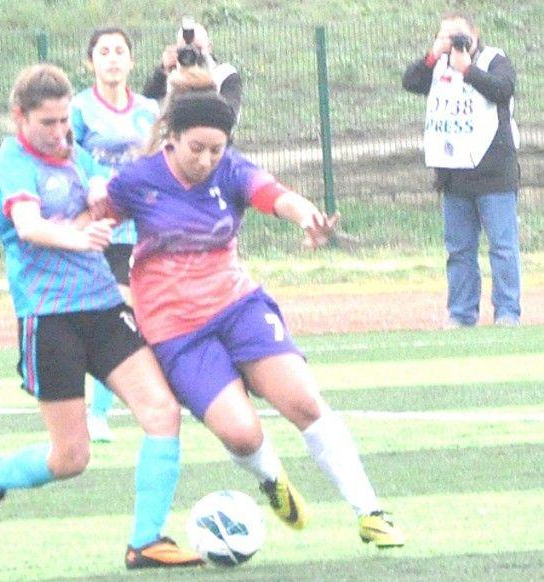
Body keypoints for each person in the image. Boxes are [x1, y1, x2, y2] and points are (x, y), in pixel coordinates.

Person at [90, 88, 406, 548]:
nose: (206, 159)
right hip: (176, 330)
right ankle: (272, 479)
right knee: (241, 435)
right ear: (172, 138)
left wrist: (305, 216)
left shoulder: (231, 170)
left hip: (238, 308)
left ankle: (370, 512)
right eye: (196, 148)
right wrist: (86, 211)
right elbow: (94, 214)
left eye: (215, 149)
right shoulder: (139, 180)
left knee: (304, 402)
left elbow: (275, 196)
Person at [0, 63, 203, 570]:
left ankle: (146, 542)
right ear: (20, 117)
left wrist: (99, 192)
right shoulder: (13, 162)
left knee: (162, 412)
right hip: (49, 317)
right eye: (47, 123)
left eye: (64, 121)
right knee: (71, 457)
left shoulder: (75, 154)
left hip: (102, 306)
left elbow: (102, 187)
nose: (59, 133)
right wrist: (79, 235)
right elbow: (29, 227)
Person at [402, 12, 521, 327]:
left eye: (459, 36)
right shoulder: (436, 65)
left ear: (475, 35)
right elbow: (410, 82)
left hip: (493, 172)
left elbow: (503, 89)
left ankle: (508, 312)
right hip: (453, 174)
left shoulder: (494, 60)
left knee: (503, 248)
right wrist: (433, 55)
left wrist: (467, 69)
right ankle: (461, 313)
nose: (453, 41)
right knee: (459, 250)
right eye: (446, 35)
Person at [71, 27, 160, 442]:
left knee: (131, 313)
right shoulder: (78, 109)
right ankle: (94, 413)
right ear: (90, 61)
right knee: (112, 312)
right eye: (103, 51)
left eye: (119, 51)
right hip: (99, 226)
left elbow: (160, 161)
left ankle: (106, 409)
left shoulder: (148, 110)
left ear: (131, 60)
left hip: (142, 225)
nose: (112, 58)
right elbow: (65, 156)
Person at [142, 18, 242, 118]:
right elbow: (145, 108)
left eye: (197, 48)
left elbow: (230, 115)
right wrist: (162, 73)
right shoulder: (169, 74)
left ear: (209, 47)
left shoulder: (224, 73)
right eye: (185, 49)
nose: (191, 53)